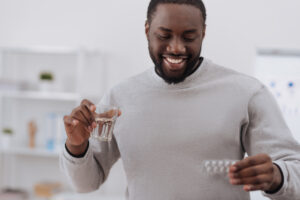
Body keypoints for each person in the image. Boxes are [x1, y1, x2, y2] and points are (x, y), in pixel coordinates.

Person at [60, 0, 300, 199]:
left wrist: (277, 175)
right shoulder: (117, 99)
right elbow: (86, 183)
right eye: (164, 35)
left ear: (203, 33)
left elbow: (295, 169)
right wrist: (77, 146)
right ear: (147, 30)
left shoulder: (247, 93)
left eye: (189, 37)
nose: (176, 48)